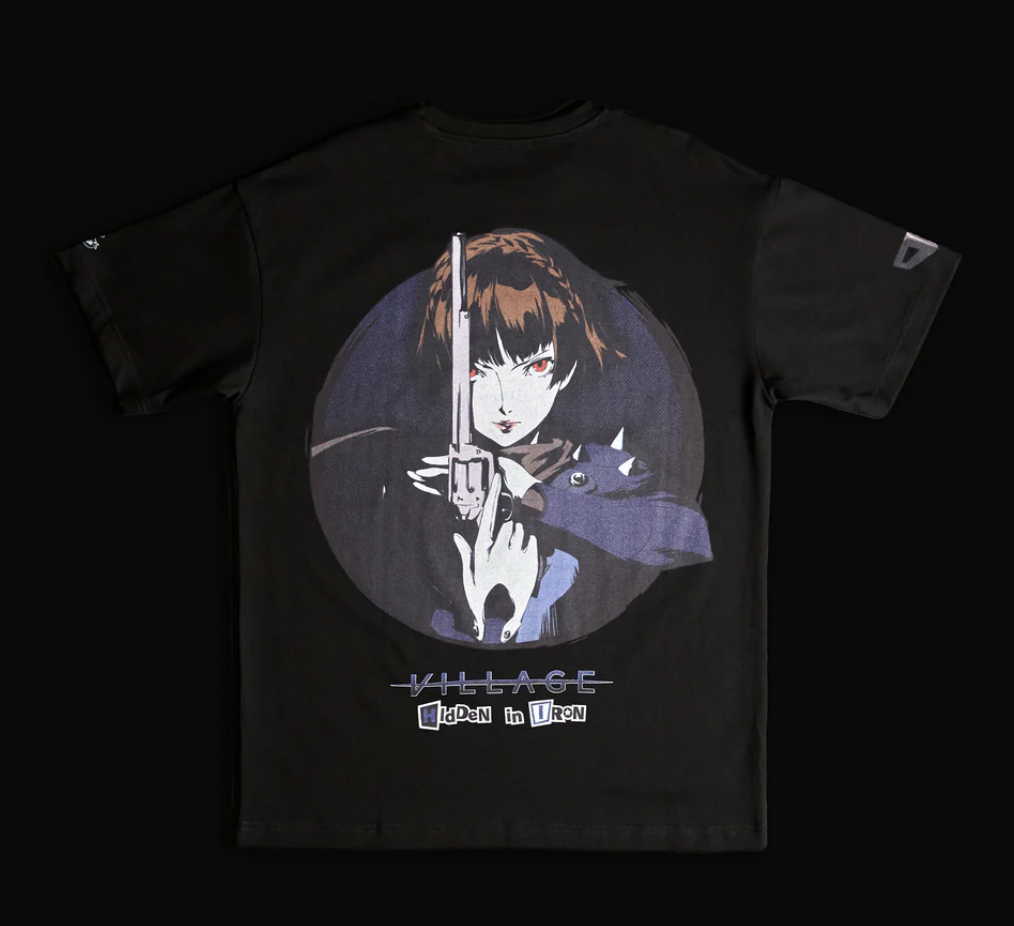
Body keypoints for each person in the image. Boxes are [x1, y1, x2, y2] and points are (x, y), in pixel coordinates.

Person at [405, 230, 713, 645]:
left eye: (533, 367)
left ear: (563, 370)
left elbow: (689, 536)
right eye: (478, 371)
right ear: (453, 376)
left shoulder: (597, 468)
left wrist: (535, 497)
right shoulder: (406, 476)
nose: (505, 403)